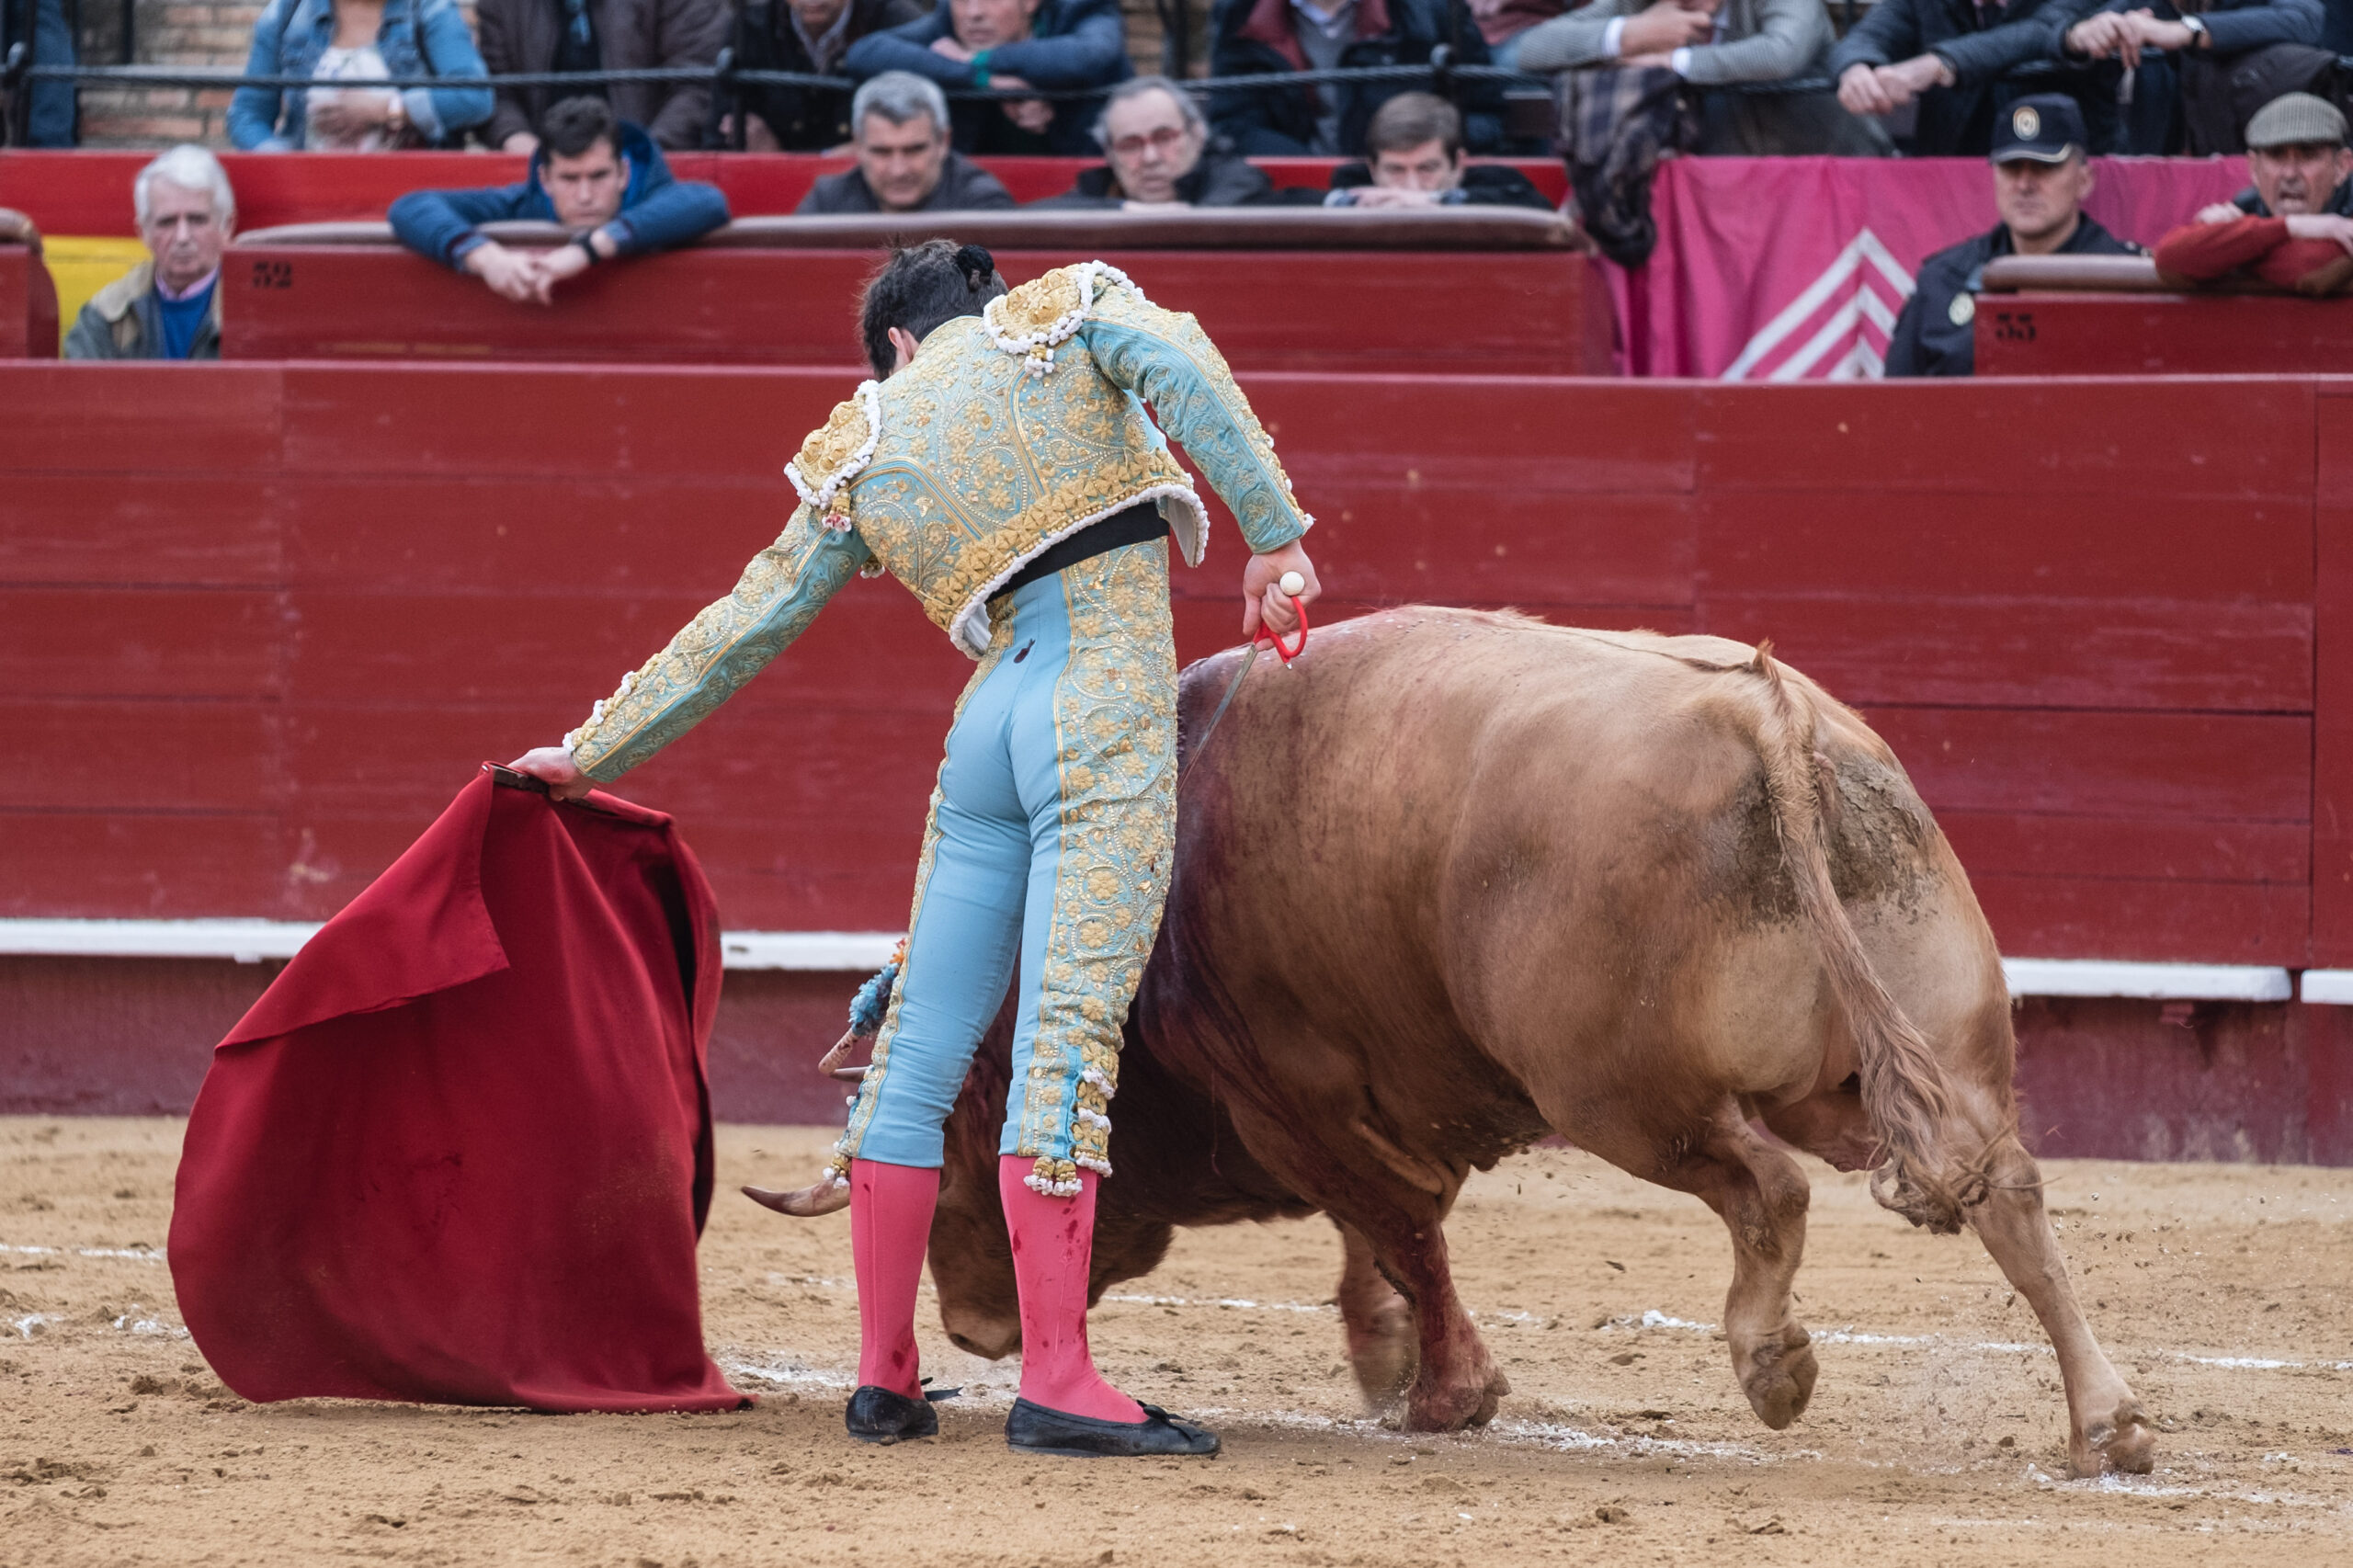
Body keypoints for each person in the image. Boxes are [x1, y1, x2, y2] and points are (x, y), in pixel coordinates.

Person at [506, 238, 1322, 1457]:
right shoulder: (1059, 313)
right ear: (969, 310)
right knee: (1066, 1036)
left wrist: (593, 747)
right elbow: (1182, 360)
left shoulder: (863, 444)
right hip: (1095, 690)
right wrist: (1272, 531)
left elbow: (745, 620)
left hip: (987, 724)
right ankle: (1057, 1378)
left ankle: (883, 1373)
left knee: (921, 1052)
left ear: (892, 343)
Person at [1885, 95, 2141, 378]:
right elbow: (1893, 405)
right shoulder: (1942, 279)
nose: (2024, 185)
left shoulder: (2131, 282)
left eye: (2045, 167)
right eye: (2011, 167)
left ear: (2084, 181)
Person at [388, 97, 730, 306]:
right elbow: (411, 206)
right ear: (545, 179)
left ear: (623, 174)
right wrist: (488, 258)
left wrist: (586, 250)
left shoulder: (657, 195)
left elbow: (709, 201)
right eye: (569, 179)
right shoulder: (523, 202)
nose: (584, 196)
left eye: (598, 177)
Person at [1516, 0, 1892, 154]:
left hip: (1828, 170)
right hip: (1720, 189)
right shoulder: (1640, 6)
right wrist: (1630, 34)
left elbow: (1780, 54)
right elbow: (1531, 49)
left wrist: (1675, 62)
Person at [1208, 0, 1500, 157]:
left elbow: (1484, 114)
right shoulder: (1240, 11)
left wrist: (1415, 156)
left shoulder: (1430, 8)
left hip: (1412, 186)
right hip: (1292, 198)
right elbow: (1234, 124)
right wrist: (1312, 177)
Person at [844, 0, 1132, 156]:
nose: (974, 13)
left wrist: (976, 59)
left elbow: (1089, 54)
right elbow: (865, 53)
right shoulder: (948, 20)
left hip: (1089, 182)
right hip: (974, 192)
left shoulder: (1080, 8)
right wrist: (980, 80)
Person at [1830, 0, 2110, 157]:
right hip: (1951, 178)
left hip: (2056, 172)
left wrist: (1939, 65)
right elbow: (1867, 36)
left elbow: (2039, 32)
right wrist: (1856, 68)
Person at [2057, 0, 2325, 153]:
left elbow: (2306, 20)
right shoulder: (2132, 10)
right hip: (2151, 180)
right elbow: (2036, 35)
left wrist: (2189, 31)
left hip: (2249, 177)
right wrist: (2073, 38)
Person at [227, 0, 494, 150]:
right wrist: (284, 162)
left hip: (414, 200)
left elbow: (475, 96)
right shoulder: (286, 13)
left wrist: (387, 110)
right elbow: (247, 114)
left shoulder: (428, 9)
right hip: (308, 196)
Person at [2152, 91, 2353, 288]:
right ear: (2253, 168)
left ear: (2341, 167)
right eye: (2277, 156)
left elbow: (2312, 265)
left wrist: (2228, 246)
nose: (2290, 174)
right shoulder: (2247, 206)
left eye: (2308, 156)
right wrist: (2292, 226)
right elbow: (2170, 256)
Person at [475, 0, 731, 153]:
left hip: (656, 170)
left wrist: (644, 154)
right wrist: (516, 140)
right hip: (539, 175)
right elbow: (494, 90)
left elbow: (700, 84)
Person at [65, 146, 234, 361]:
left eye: (197, 220)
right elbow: (79, 391)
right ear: (143, 233)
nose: (182, 237)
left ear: (226, 227)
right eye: (167, 222)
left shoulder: (257, 312)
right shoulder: (106, 313)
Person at [1034, 75, 1273, 208]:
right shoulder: (1098, 190)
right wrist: (1123, 211)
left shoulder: (1234, 180)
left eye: (1164, 138)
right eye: (1131, 145)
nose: (1150, 158)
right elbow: (1033, 217)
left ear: (1197, 134)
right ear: (1109, 152)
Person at [798, 73, 1018, 213]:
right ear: (858, 147)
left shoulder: (983, 206)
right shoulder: (826, 202)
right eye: (882, 152)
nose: (899, 170)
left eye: (914, 150)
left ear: (944, 142)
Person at [730, 0, 926, 150]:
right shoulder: (749, 26)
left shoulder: (900, 25)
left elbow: (922, 139)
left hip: (873, 189)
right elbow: (718, 139)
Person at [1321, 92, 1552, 208]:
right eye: (1395, 170)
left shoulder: (1496, 182)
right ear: (1372, 169)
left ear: (1458, 164)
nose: (1411, 187)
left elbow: (1538, 206)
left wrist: (1432, 200)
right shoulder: (1352, 183)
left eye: (1427, 168)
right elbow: (1287, 201)